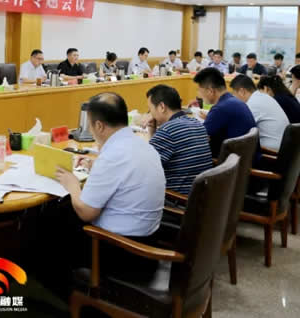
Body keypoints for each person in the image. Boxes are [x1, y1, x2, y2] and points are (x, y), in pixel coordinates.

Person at [55, 92, 165, 281]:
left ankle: (62, 289)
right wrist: (97, 167)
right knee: (63, 209)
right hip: (149, 243)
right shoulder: (142, 145)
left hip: (125, 253)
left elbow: (86, 213)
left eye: (90, 125)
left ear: (99, 126)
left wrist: (72, 185)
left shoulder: (113, 155)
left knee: (51, 219)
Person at [143, 85, 213, 195]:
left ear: (162, 107)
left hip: (177, 199)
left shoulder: (167, 131)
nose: (150, 114)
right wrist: (152, 129)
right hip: (202, 196)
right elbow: (155, 157)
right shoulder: (196, 123)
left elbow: (145, 169)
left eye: (150, 109)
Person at [193, 68, 258, 158]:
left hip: (232, 163)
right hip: (245, 160)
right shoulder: (233, 101)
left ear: (210, 91)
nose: (199, 94)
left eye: (199, 90)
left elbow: (199, 138)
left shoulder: (220, 109)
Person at [230, 75, 288, 152]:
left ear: (242, 91)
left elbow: (240, 130)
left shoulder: (253, 103)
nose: (234, 99)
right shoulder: (263, 97)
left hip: (272, 152)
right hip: (283, 147)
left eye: (234, 95)